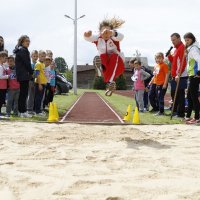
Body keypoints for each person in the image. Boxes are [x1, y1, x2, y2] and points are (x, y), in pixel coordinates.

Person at [84, 17, 125, 96]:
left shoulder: (114, 37)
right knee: (101, 56)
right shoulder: (98, 38)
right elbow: (89, 38)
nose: (106, 34)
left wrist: (112, 33)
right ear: (100, 32)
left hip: (118, 64)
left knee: (114, 56)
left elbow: (121, 37)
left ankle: (109, 81)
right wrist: (86, 35)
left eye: (108, 31)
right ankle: (108, 82)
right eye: (104, 31)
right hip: (106, 66)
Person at [168, 33, 187, 118]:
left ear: (179, 38)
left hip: (180, 76)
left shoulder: (182, 48)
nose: (173, 42)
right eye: (172, 40)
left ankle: (180, 113)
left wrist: (178, 74)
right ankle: (175, 111)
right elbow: (175, 62)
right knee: (173, 94)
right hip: (175, 76)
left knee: (180, 95)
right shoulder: (176, 49)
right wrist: (169, 56)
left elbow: (183, 63)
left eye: (174, 40)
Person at [13, 35, 33, 118]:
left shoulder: (22, 50)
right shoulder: (23, 50)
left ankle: (22, 111)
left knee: (23, 94)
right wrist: (31, 72)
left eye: (29, 41)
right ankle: (22, 111)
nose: (28, 43)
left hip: (22, 75)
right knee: (23, 94)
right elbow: (27, 63)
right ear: (22, 42)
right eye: (26, 41)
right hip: (23, 75)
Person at [184, 32, 200, 124]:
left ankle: (197, 117)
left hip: (195, 75)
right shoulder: (191, 49)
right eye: (185, 40)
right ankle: (188, 116)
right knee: (190, 96)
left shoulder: (194, 49)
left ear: (192, 39)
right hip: (191, 74)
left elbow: (199, 59)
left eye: (188, 40)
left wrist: (199, 71)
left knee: (193, 97)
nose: (186, 42)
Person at [34, 50, 47, 116]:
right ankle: (37, 111)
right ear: (39, 56)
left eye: (44, 56)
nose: (43, 57)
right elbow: (37, 74)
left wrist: (45, 82)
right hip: (39, 83)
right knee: (38, 98)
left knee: (41, 98)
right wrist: (39, 84)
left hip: (43, 83)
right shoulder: (38, 64)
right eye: (42, 56)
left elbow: (43, 74)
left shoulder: (43, 64)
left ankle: (38, 110)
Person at [27, 50, 38, 114]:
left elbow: (37, 74)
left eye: (36, 56)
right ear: (31, 56)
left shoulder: (37, 64)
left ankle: (32, 108)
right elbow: (29, 74)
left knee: (33, 96)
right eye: (34, 56)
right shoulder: (30, 64)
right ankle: (29, 109)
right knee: (30, 95)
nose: (35, 57)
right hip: (30, 81)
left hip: (35, 81)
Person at [0, 51, 9, 117]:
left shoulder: (3, 66)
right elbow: (0, 76)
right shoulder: (0, 67)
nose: (6, 60)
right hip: (0, 86)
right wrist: (7, 76)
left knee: (2, 100)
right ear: (1, 58)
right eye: (5, 58)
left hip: (3, 86)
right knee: (0, 100)